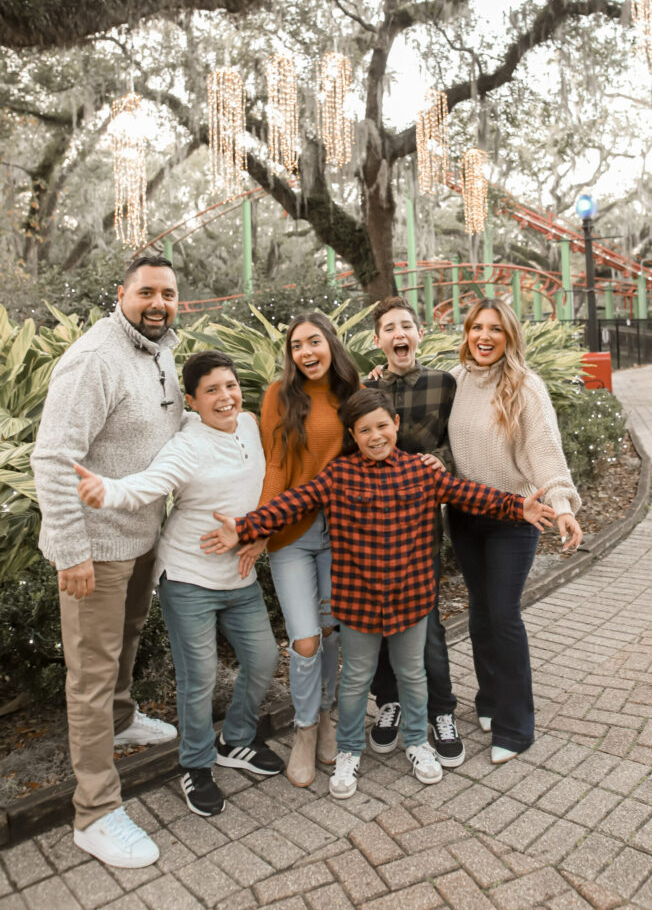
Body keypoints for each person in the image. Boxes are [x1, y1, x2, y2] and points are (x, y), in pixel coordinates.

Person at [200, 387, 556, 801]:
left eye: (382, 426)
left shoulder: (422, 472)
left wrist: (517, 507)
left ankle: (417, 742)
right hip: (357, 602)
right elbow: (293, 504)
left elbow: (468, 494)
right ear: (353, 434)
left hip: (411, 598)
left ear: (396, 425)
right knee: (354, 680)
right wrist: (245, 527)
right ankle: (350, 749)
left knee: (412, 675)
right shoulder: (338, 476)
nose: (375, 436)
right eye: (364, 430)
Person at [74, 351, 284, 818]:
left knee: (264, 657)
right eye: (211, 390)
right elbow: (150, 482)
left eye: (230, 385)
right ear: (191, 400)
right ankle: (195, 764)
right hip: (188, 577)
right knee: (199, 679)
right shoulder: (187, 443)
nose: (225, 397)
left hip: (239, 576)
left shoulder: (249, 424)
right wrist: (106, 491)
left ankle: (236, 739)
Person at [31, 256, 182, 869]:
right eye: (145, 291)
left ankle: (122, 720)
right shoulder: (96, 359)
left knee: (128, 637)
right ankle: (94, 812)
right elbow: (52, 458)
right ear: (121, 293)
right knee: (90, 676)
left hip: (140, 533)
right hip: (94, 546)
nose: (157, 302)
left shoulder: (159, 348)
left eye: (168, 293)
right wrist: (72, 552)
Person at [447, 298, 583, 765]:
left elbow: (545, 451)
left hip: (516, 517)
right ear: (466, 334)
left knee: (503, 616)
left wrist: (561, 505)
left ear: (510, 337)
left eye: (496, 330)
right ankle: (488, 700)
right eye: (477, 328)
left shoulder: (526, 386)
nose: (484, 337)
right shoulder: (456, 381)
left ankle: (516, 725)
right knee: (481, 612)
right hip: (465, 516)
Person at [241, 312, 360, 787]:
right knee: (305, 639)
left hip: (344, 534)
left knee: (331, 632)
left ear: (331, 343)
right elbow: (275, 464)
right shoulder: (279, 395)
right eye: (296, 346)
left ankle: (326, 717)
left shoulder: (350, 394)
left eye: (314, 341)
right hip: (292, 533)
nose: (306, 353)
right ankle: (304, 729)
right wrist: (261, 526)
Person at [365, 296, 464, 767]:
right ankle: (391, 703)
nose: (398, 334)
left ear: (419, 333)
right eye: (389, 328)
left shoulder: (444, 385)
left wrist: (438, 462)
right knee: (378, 618)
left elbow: (455, 442)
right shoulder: (367, 390)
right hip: (372, 525)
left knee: (425, 620)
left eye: (406, 325)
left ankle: (442, 711)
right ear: (378, 340)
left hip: (422, 520)